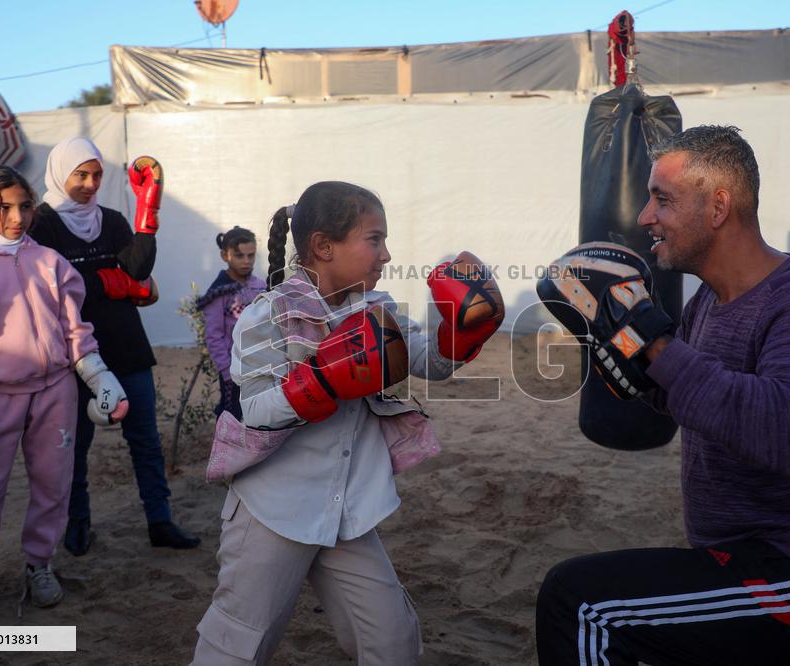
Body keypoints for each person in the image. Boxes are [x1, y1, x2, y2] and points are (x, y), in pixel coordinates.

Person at [535, 125, 790, 665]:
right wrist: (621, 345)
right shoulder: (709, 302)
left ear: (719, 206)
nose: (643, 218)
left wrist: (653, 342)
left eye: (662, 200)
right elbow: (698, 394)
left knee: (583, 604)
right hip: (739, 555)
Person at [192, 181, 505, 665]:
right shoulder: (267, 315)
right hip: (273, 511)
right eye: (374, 239)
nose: (386, 254)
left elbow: (433, 363)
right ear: (323, 246)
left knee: (392, 641)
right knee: (238, 646)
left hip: (347, 512)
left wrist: (462, 333)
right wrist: (322, 379)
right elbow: (253, 410)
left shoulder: (378, 310)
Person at [0, 166, 128, 626]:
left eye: (25, 206)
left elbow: (75, 329)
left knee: (53, 484)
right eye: (4, 207)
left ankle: (41, 563)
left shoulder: (51, 263)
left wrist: (98, 377)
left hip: (56, 391)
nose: (17, 216)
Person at [30, 137, 200, 556]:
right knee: (75, 444)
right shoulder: (43, 223)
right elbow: (46, 287)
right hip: (74, 354)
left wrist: (147, 216)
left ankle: (160, 521)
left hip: (126, 347)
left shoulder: (113, 219)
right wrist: (107, 281)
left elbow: (139, 268)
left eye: (97, 175)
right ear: (60, 173)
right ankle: (78, 523)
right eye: (80, 175)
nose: (90, 183)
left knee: (144, 439)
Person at [196, 226, 267, 421]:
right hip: (233, 371)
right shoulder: (219, 292)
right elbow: (214, 336)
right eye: (239, 256)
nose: (246, 261)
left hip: (261, 365)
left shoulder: (260, 286)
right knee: (233, 417)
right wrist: (227, 372)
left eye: (251, 256)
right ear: (224, 255)